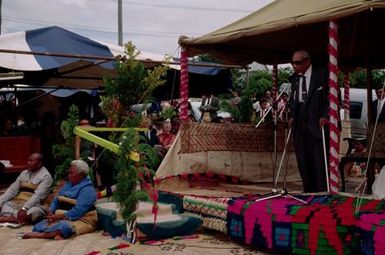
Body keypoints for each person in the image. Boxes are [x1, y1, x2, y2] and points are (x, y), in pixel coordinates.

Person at [21, 159, 97, 240]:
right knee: (38, 226)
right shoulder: (68, 184)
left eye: (71, 173)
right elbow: (56, 199)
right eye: (69, 172)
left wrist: (58, 217)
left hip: (81, 219)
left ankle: (41, 235)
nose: (68, 175)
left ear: (81, 175)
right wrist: (51, 211)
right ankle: (55, 234)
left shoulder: (88, 189)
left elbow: (78, 211)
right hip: (61, 216)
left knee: (64, 227)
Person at [288, 50, 329, 193]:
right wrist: (292, 115)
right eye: (292, 62)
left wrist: (326, 115)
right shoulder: (295, 78)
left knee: (318, 159)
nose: (294, 66)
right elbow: (293, 98)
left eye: (297, 62)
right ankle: (308, 191)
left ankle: (322, 191)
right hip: (300, 120)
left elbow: (333, 97)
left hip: (317, 121)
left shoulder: (322, 74)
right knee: (303, 158)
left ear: (307, 61)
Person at [0, 153, 53, 226]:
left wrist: (25, 208)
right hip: (19, 202)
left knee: (34, 212)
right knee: (6, 205)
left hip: (35, 205)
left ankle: (6, 219)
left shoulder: (46, 176)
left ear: (39, 163)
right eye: (28, 160)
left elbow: (38, 196)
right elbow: (12, 190)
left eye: (31, 161)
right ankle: (17, 219)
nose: (28, 163)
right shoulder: (24, 173)